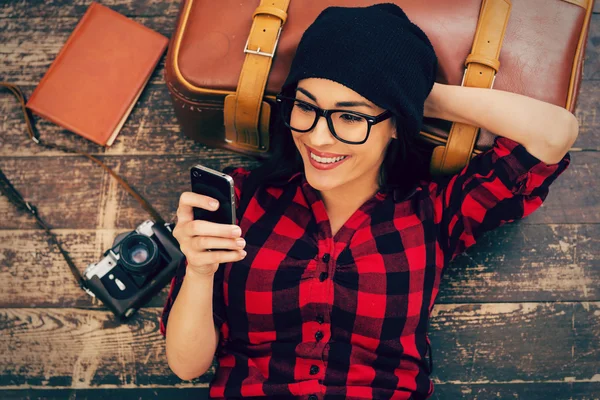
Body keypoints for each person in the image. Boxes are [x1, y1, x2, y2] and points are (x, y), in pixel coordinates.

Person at [160, 4, 577, 399]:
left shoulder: (434, 215)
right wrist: (198, 271)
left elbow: (555, 132)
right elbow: (187, 366)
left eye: (352, 116)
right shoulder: (241, 199)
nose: (318, 138)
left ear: (396, 125)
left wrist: (414, 97)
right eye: (306, 107)